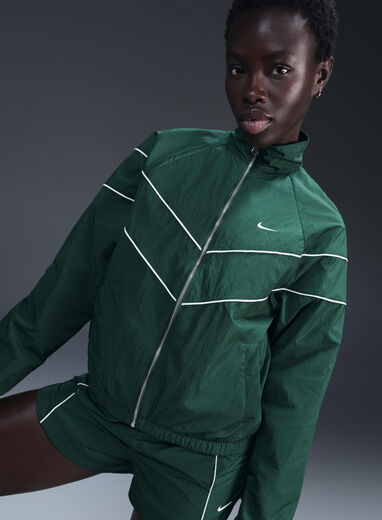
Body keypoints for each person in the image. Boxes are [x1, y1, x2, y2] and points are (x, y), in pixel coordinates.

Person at [0, 0, 347, 518]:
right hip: (101, 408)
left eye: (278, 69)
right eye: (238, 68)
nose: (253, 89)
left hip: (197, 461)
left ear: (319, 76)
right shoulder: (161, 157)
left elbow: (295, 400)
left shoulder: (318, 232)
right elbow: (56, 301)